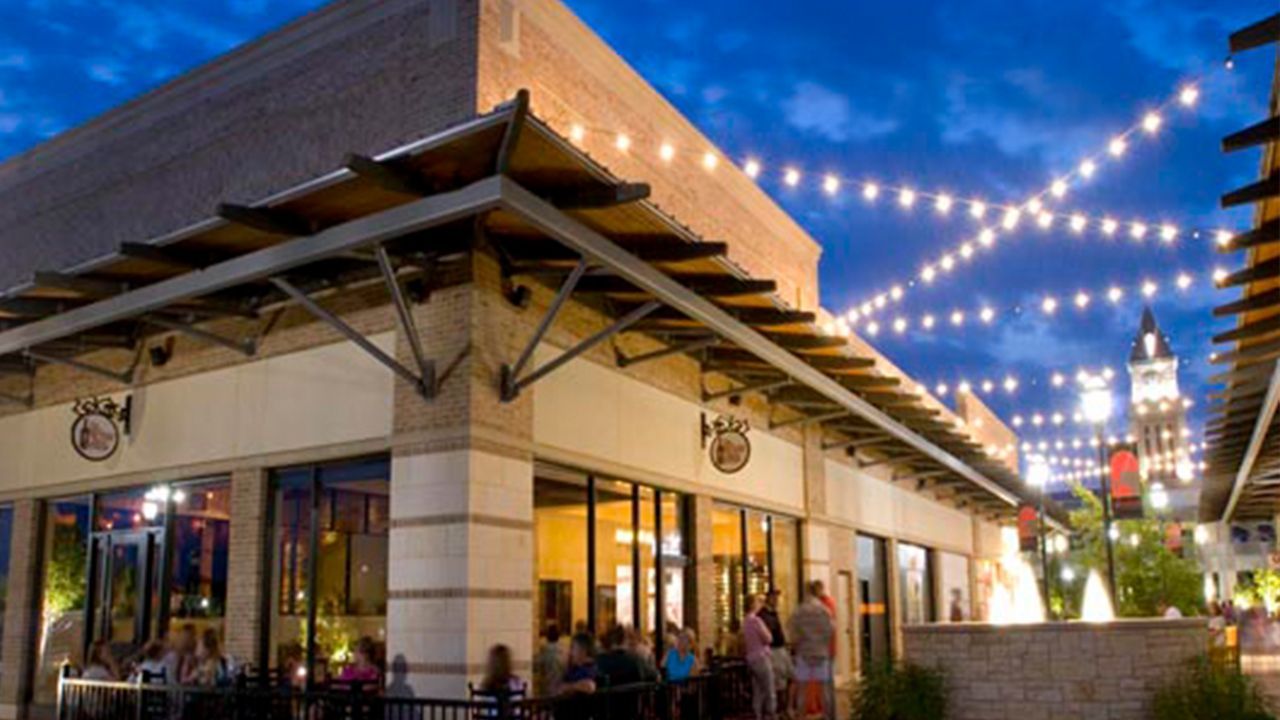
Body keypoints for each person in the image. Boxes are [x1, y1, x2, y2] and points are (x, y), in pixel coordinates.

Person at [789, 581, 834, 720]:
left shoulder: (799, 611)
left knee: (802, 689)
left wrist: (799, 642)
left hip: (804, 653)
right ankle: (827, 716)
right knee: (824, 689)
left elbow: (792, 632)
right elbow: (831, 630)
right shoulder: (824, 611)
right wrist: (822, 642)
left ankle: (801, 715)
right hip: (821, 653)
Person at [742, 595, 776, 720]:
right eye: (757, 602)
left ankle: (757, 714)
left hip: (751, 659)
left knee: (757, 690)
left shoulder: (745, 622)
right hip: (761, 657)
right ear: (752, 605)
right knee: (768, 689)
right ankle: (771, 715)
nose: (759, 604)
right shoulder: (756, 621)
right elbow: (768, 638)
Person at [759, 590, 793, 713]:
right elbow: (767, 636)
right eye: (774, 597)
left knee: (790, 677)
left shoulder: (774, 613)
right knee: (778, 682)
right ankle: (779, 710)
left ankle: (786, 708)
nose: (776, 600)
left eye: (777, 598)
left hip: (781, 649)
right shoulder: (763, 616)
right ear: (768, 598)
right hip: (773, 651)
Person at [533, 625, 567, 697]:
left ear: (547, 637)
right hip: (562, 688)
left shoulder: (544, 651)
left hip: (548, 687)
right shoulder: (565, 651)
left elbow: (535, 666)